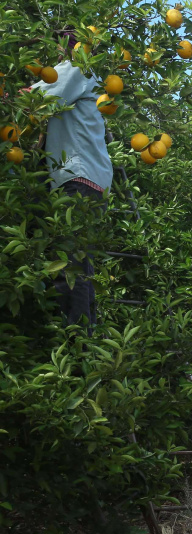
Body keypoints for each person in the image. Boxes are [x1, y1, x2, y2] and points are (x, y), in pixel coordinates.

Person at [29, 41, 113, 334]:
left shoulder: (77, 68)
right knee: (80, 265)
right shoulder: (87, 76)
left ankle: (75, 340)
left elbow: (37, 98)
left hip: (78, 178)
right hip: (92, 182)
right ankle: (86, 339)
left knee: (68, 267)